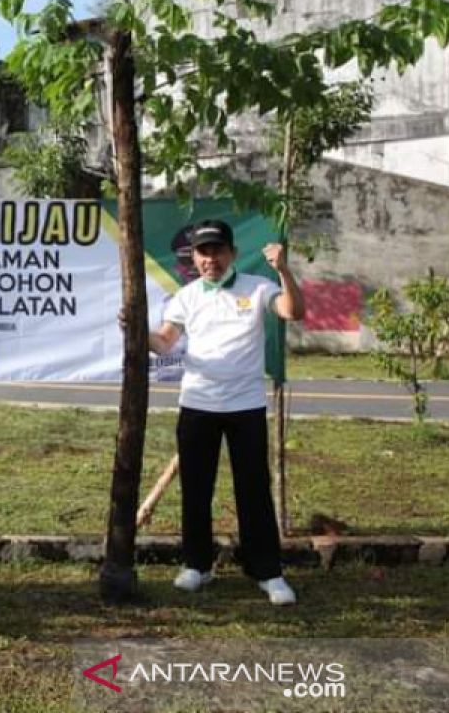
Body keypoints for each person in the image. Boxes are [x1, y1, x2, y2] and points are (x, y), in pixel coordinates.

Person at [144, 219, 305, 606]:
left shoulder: (258, 286)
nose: (210, 259)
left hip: (245, 405)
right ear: (194, 257)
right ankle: (197, 565)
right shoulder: (185, 297)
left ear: (231, 254)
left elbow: (293, 311)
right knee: (196, 490)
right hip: (197, 404)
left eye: (217, 250)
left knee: (253, 490)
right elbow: (165, 343)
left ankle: (267, 571)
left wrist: (283, 269)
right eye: (203, 252)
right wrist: (136, 329)